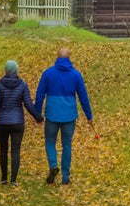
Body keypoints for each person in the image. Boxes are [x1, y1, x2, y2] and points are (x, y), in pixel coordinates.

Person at [34, 47, 94, 185]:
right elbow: (83, 97)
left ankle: (53, 165)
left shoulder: (48, 73)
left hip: (52, 114)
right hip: (69, 115)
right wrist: (89, 116)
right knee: (67, 144)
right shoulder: (76, 75)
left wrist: (37, 113)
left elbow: (40, 94)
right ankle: (65, 177)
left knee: (50, 141)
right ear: (69, 58)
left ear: (57, 58)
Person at [0, 60, 42, 185]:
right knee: (16, 150)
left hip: (2, 123)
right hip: (17, 122)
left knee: (3, 150)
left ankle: (3, 178)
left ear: (5, 71)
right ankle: (14, 180)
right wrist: (38, 117)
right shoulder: (22, 85)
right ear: (16, 70)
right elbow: (28, 104)